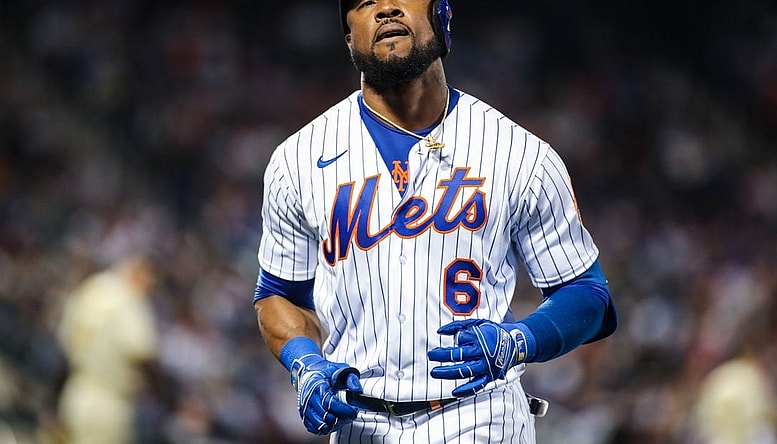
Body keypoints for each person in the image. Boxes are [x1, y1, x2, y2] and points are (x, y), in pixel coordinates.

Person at [253, 1, 617, 442]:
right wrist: (303, 362)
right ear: (349, 38)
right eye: (365, 2)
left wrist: (519, 339)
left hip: (480, 414)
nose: (386, 8)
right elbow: (279, 295)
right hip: (359, 426)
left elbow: (588, 293)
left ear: (442, 17)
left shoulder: (521, 154)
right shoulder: (297, 160)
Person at [57, 253, 159, 444]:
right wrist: (167, 398)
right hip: (108, 403)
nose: (150, 288)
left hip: (77, 389)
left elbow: (66, 342)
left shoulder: (94, 287)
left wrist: (54, 397)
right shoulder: (128, 300)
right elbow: (143, 353)